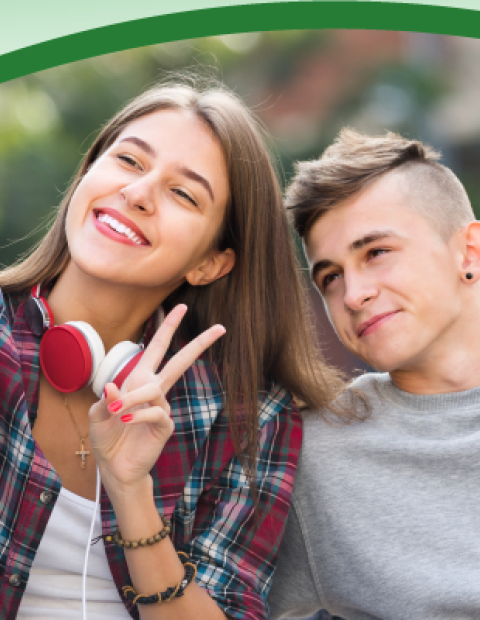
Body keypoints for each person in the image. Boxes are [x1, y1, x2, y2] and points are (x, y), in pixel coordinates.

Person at [0, 77, 346, 620]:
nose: (137, 194)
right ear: (88, 173)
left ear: (210, 262)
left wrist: (132, 490)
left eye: (183, 193)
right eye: (129, 162)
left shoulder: (249, 418)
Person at [268, 128, 480, 619]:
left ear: (469, 252)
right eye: (331, 277)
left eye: (376, 252)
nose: (353, 294)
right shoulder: (316, 456)